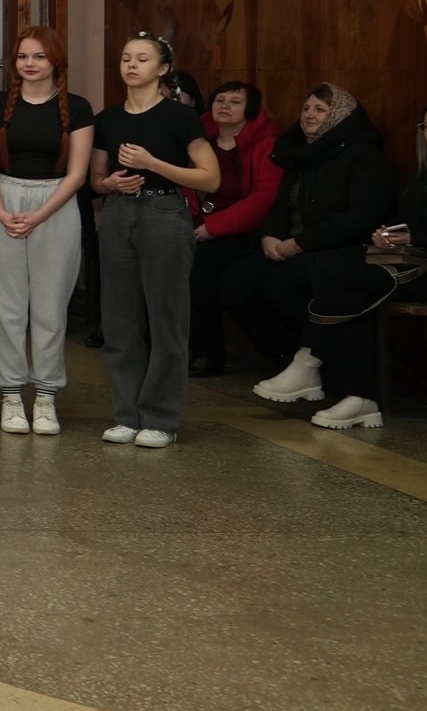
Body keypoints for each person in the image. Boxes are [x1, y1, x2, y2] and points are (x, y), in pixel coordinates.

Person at [90, 33, 222, 449]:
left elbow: (210, 178)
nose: (131, 65)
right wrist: (109, 184)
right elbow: (96, 178)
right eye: (126, 58)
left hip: (164, 212)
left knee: (166, 318)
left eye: (142, 59)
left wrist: (152, 163)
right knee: (119, 319)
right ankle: (127, 414)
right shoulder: (109, 118)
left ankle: (161, 417)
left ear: (163, 68)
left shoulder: (180, 117)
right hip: (118, 214)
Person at [232, 85, 397, 410]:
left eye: (320, 110)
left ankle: (313, 364)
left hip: (335, 248)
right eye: (306, 108)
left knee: (287, 284)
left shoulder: (364, 155)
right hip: (291, 246)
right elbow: (280, 204)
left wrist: (298, 244)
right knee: (237, 282)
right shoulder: (300, 151)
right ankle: (293, 358)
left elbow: (362, 217)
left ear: (340, 116)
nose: (309, 115)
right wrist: (269, 236)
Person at [0, 25, 94, 434]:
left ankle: (46, 397)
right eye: (23, 57)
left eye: (39, 57)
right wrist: (1, 210)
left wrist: (40, 214)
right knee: (6, 307)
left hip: (55, 204)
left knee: (49, 307)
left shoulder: (77, 107)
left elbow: (78, 174)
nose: (30, 64)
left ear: (55, 61)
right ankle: (11, 395)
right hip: (2, 202)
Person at [303, 103, 427, 430]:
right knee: (331, 266)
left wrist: (413, 236)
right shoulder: (423, 173)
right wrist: (388, 234)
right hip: (409, 259)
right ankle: (353, 391)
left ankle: (314, 362)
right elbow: (406, 220)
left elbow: (421, 231)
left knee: (347, 280)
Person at [188, 82, 280, 378]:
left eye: (235, 101)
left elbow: (263, 199)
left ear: (249, 110)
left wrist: (212, 228)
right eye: (220, 99)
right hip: (195, 223)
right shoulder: (198, 138)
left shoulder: (265, 144)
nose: (224, 105)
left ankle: (208, 354)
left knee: (200, 274)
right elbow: (184, 180)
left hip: (242, 231)